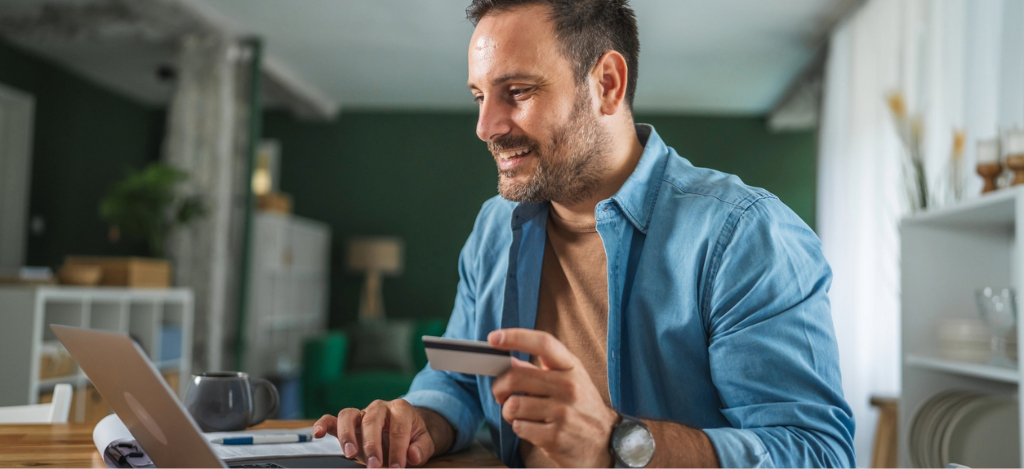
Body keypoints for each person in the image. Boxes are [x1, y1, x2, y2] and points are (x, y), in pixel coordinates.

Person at [313, 0, 855, 467]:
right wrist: (418, 421)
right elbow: (457, 376)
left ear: (607, 84)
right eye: (480, 97)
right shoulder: (493, 228)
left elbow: (816, 452)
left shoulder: (743, 236)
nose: (486, 127)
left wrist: (615, 444)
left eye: (517, 91)